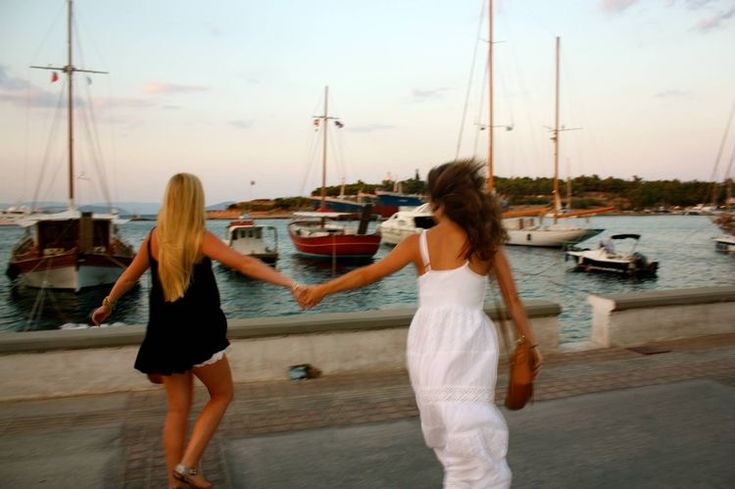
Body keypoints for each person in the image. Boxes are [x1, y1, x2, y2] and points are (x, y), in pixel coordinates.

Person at [300, 160, 543, 488]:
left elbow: (367, 274)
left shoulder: (419, 243)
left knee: (443, 418)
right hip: (472, 338)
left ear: (437, 200)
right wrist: (531, 343)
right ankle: (480, 477)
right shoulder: (485, 243)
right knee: (468, 415)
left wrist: (322, 289)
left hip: (429, 340)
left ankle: (468, 479)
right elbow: (514, 301)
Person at [91, 173, 302, 489]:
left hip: (165, 335)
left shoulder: (154, 237)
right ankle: (187, 466)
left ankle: (174, 482)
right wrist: (290, 282)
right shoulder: (199, 237)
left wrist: (107, 304)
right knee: (222, 395)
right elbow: (246, 265)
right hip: (200, 335)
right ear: (194, 201)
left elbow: (129, 277)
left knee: (177, 409)